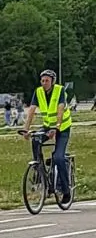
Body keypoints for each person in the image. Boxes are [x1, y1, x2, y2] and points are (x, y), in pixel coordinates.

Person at [21, 68, 72, 198]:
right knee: (35, 140)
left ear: (52, 82)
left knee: (58, 157)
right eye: (42, 80)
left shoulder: (59, 90)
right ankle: (39, 171)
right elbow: (31, 111)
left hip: (62, 128)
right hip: (47, 126)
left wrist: (56, 128)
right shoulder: (38, 92)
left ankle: (66, 190)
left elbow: (60, 110)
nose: (44, 83)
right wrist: (26, 129)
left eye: (47, 81)